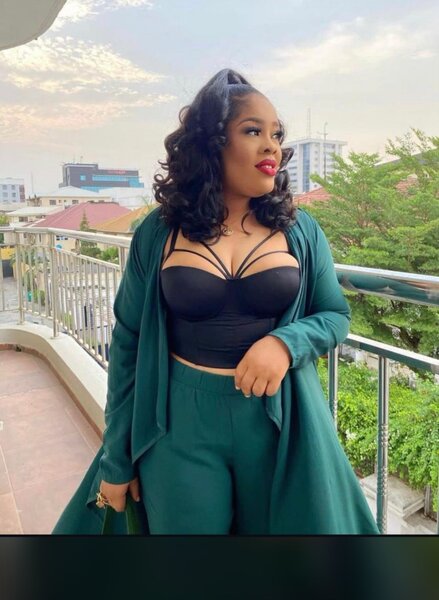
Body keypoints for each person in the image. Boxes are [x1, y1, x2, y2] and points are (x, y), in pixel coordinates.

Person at [53, 69, 379, 535]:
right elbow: (128, 344)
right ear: (212, 143)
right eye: (253, 131)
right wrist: (117, 460)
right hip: (178, 424)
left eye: (277, 134)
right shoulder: (158, 232)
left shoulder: (300, 229)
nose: (272, 147)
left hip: (278, 420)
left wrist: (286, 343)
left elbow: (334, 314)